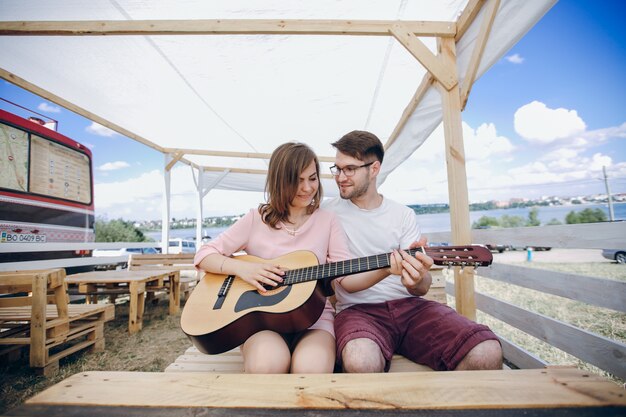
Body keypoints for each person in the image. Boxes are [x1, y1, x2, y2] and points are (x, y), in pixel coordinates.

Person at [193, 142, 403, 374]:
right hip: (262, 322)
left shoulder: (328, 221)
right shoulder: (256, 219)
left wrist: (386, 269)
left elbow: (346, 279)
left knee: (310, 371)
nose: (307, 188)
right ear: (279, 181)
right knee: (267, 365)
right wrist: (243, 269)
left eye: (312, 179)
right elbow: (204, 255)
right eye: (297, 180)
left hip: (314, 320)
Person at [323, 130, 503, 373]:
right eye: (338, 168)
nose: (340, 177)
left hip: (412, 308)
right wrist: (386, 269)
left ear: (374, 169)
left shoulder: (403, 215)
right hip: (357, 312)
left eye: (350, 169)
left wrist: (418, 277)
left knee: (487, 351)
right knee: (360, 360)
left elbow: (421, 288)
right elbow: (343, 283)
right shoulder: (327, 214)